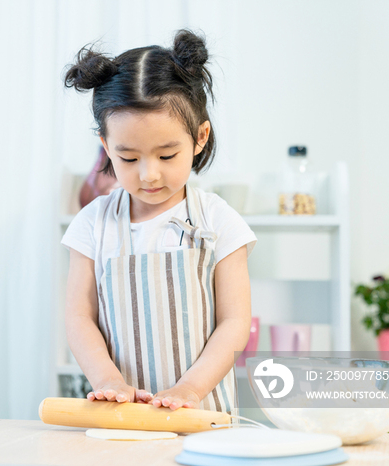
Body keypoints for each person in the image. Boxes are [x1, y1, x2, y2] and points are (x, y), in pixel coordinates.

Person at [61, 29, 256, 415]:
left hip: (202, 416)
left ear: (200, 137)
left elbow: (234, 322)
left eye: (167, 155)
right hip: (119, 418)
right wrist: (107, 380)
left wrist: (190, 388)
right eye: (129, 159)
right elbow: (79, 317)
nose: (148, 175)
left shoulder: (219, 221)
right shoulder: (93, 224)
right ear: (106, 146)